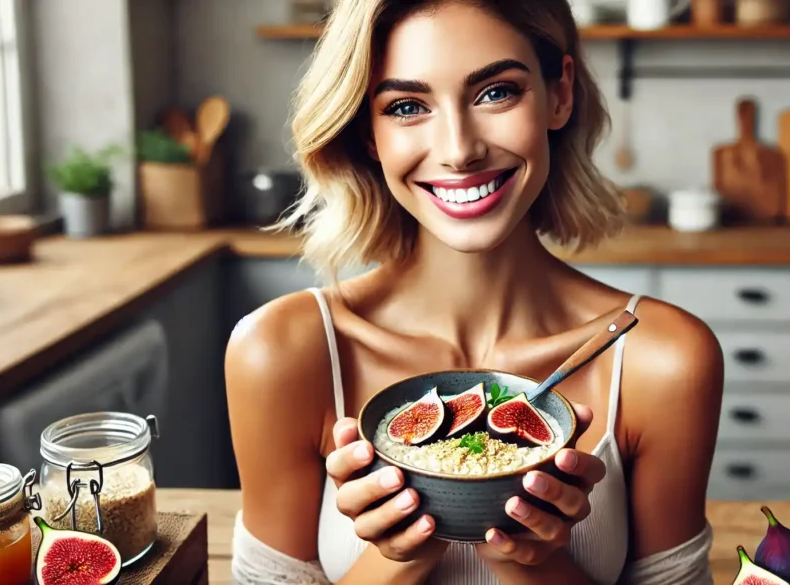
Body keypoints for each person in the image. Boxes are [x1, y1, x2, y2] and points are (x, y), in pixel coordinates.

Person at [224, 0, 724, 583]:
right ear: (369, 133)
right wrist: (397, 556)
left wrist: (532, 560)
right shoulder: (281, 352)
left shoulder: (664, 359)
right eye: (408, 106)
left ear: (559, 94)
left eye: (496, 93)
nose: (459, 149)